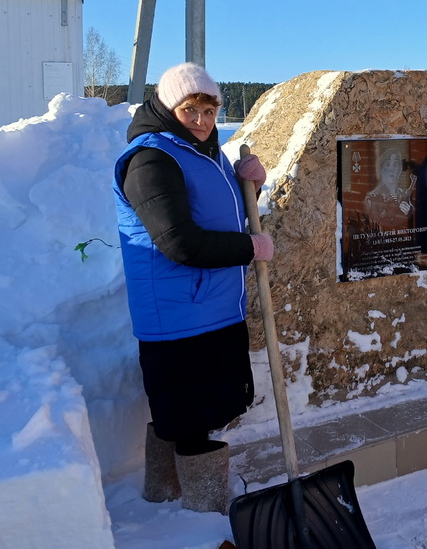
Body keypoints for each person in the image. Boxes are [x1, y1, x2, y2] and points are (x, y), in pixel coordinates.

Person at [113, 62, 273, 514]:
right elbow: (179, 242)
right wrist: (249, 248)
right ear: (169, 107)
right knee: (190, 417)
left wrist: (251, 188)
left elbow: (217, 215)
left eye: (210, 110)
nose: (202, 120)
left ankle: (164, 492)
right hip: (179, 314)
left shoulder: (203, 153)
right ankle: (202, 516)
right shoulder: (151, 160)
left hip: (209, 306)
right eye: (190, 110)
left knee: (190, 414)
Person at [363, 146, 415, 232]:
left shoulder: (404, 195)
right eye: (387, 164)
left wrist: (409, 212)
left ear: (400, 169)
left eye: (396, 164)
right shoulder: (372, 198)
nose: (392, 169)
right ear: (381, 169)